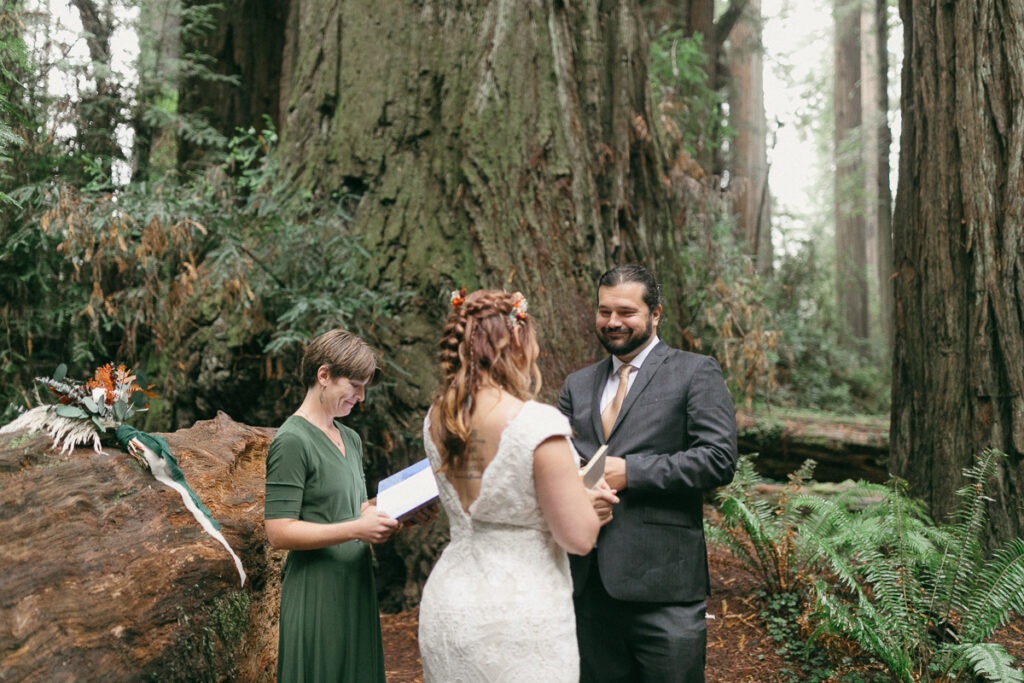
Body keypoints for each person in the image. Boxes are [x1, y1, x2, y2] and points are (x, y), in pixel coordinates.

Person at [418, 288, 615, 682]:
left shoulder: (437, 418)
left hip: (449, 604)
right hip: (518, 613)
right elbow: (577, 538)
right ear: (517, 343)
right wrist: (586, 501)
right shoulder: (537, 425)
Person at [558, 264, 739, 683]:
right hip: (587, 584)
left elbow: (718, 459)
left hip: (665, 585)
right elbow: (561, 461)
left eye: (626, 311)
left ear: (656, 314)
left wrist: (631, 471)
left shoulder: (696, 372)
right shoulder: (577, 385)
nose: (613, 322)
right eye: (604, 311)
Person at [264, 328, 401, 683]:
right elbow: (278, 531)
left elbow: (353, 509)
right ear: (324, 375)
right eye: (355, 385)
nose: (361, 396)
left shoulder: (350, 439)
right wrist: (357, 529)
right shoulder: (292, 440)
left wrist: (399, 514)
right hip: (317, 591)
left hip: (356, 584)